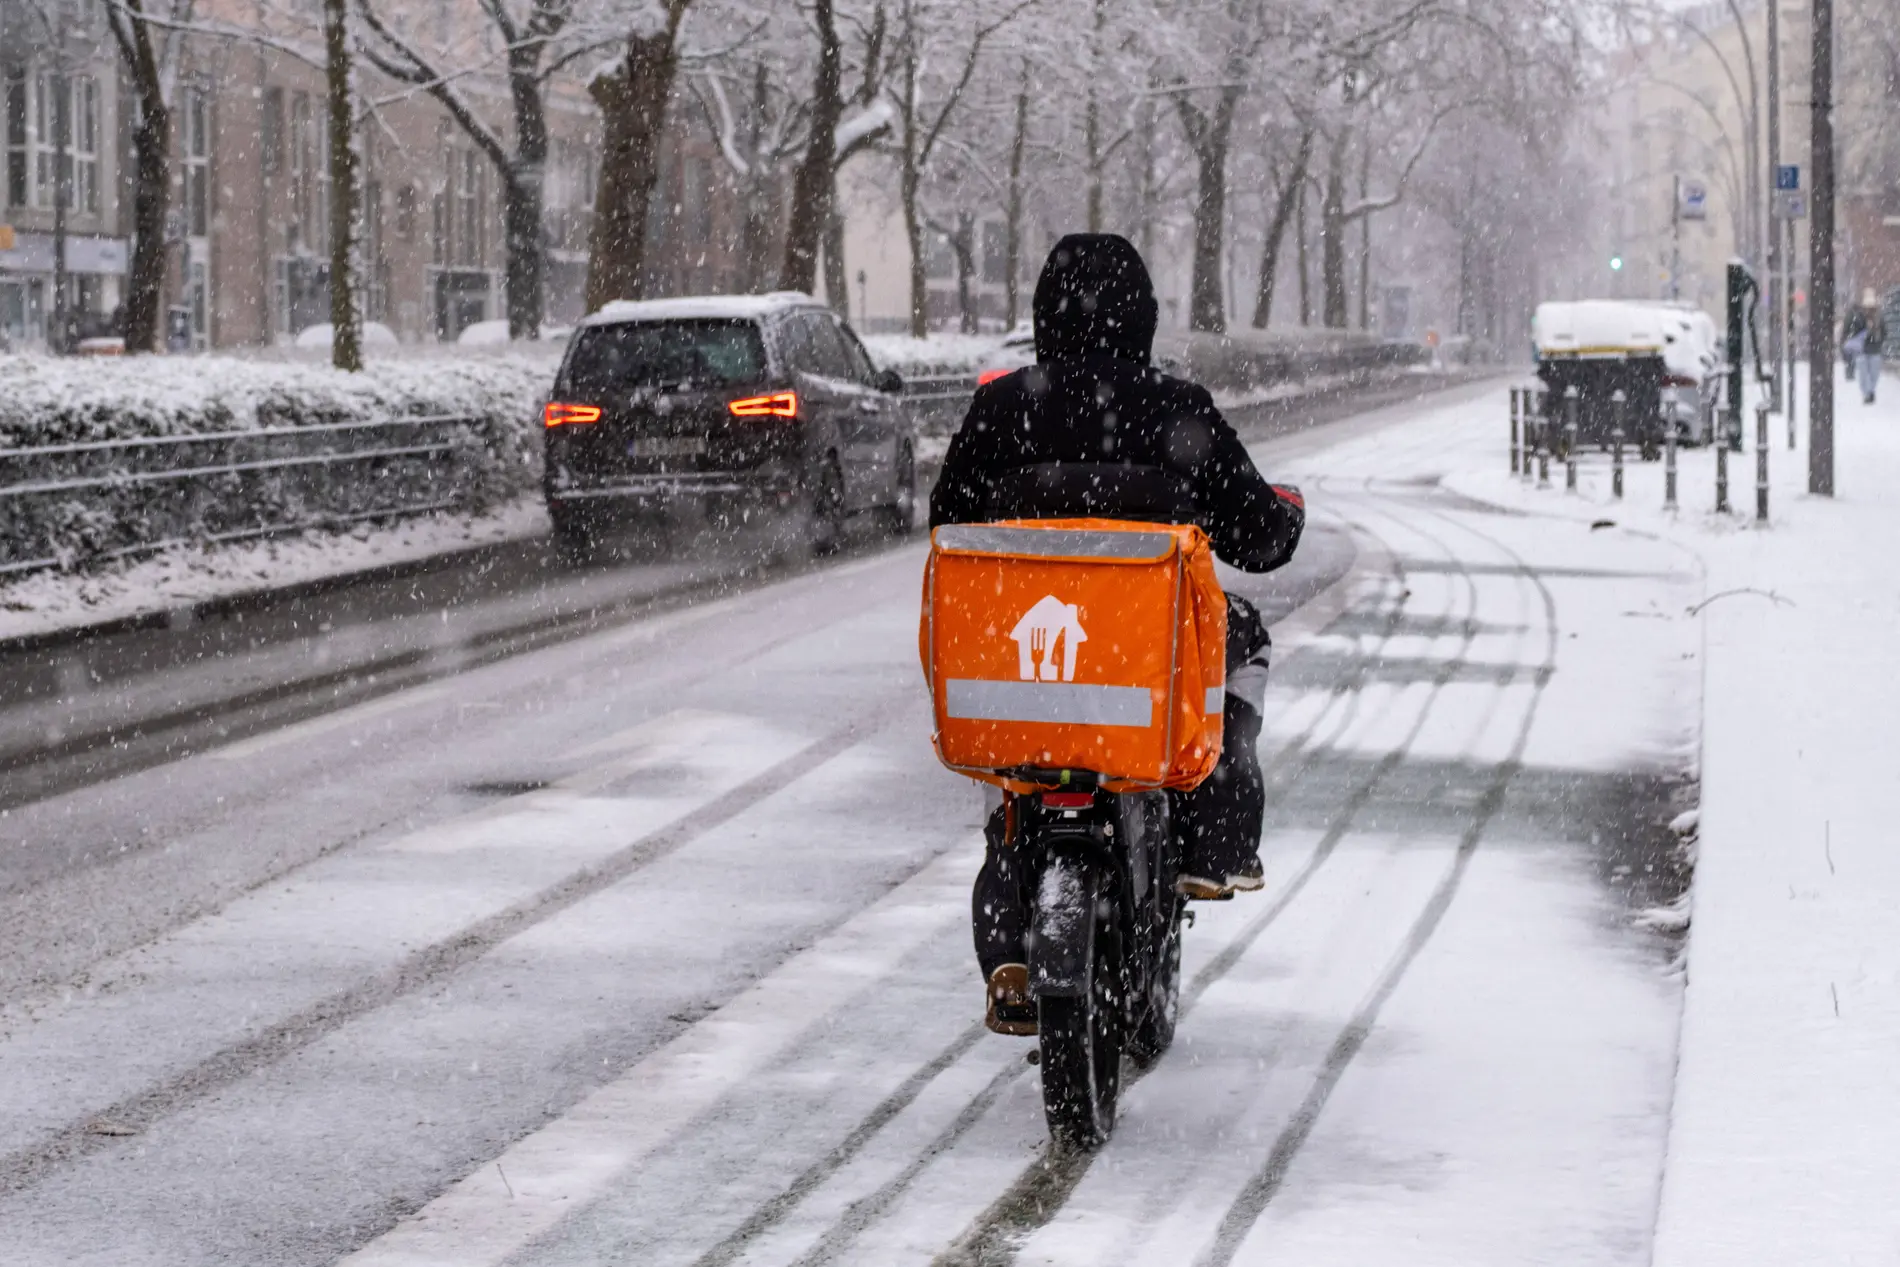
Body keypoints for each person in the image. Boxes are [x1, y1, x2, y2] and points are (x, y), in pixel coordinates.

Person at [929, 233, 1305, 1033]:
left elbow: (948, 522)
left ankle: (1008, 946)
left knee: (1015, 793)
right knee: (1246, 642)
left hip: (1039, 665)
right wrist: (1278, 520)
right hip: (1142, 659)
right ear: (1145, 317)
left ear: (1042, 314)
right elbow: (1259, 536)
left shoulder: (1002, 407)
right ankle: (1215, 835)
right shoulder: (1177, 409)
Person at [1843, 289, 1886, 405]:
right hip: (1861, 350)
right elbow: (1852, 330)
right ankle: (1867, 393)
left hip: (1875, 349)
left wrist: (1878, 339)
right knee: (1863, 373)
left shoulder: (1879, 317)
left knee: (1874, 374)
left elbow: (1884, 331)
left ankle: (1870, 392)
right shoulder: (1858, 316)